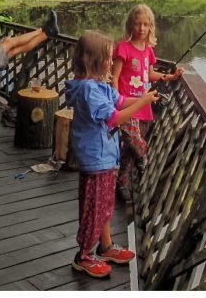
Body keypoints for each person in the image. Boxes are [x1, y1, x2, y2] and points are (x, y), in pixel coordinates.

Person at [65, 30, 159, 279]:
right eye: (107, 57)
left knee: (105, 205)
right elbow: (114, 117)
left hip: (105, 158)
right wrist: (143, 103)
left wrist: (143, 97)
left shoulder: (98, 86)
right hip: (95, 159)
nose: (111, 61)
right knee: (93, 209)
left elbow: (119, 101)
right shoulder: (87, 90)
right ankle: (83, 256)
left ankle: (105, 247)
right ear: (93, 60)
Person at [112, 4, 183, 203]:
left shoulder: (148, 50)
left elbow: (149, 74)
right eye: (137, 24)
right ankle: (144, 154)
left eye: (145, 24)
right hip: (126, 105)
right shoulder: (123, 48)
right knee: (132, 140)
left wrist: (170, 77)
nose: (141, 28)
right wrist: (116, 101)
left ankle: (123, 184)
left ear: (150, 26)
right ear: (130, 25)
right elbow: (114, 76)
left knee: (128, 151)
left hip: (144, 105)